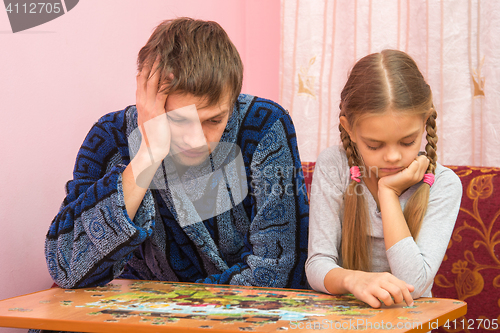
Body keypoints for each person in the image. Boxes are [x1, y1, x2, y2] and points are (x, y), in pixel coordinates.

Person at [45, 17, 309, 290]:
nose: (196, 140)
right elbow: (67, 269)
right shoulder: (111, 138)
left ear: (233, 104)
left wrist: (172, 306)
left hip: (228, 315)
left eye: (214, 120)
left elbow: (279, 270)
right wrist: (147, 154)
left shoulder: (265, 124)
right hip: (132, 316)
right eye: (178, 120)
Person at [305, 49, 462, 308]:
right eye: (375, 145)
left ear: (424, 124)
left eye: (407, 141)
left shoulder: (443, 184)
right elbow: (317, 264)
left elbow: (416, 283)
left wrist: (388, 193)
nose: (392, 157)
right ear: (349, 129)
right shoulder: (334, 166)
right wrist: (352, 280)